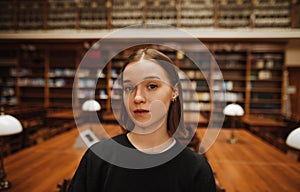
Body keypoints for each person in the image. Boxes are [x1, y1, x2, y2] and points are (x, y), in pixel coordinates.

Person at [68, 47, 216, 192]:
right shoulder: (97, 158)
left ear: (174, 92)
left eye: (152, 86)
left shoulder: (196, 170)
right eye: (128, 88)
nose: (137, 97)